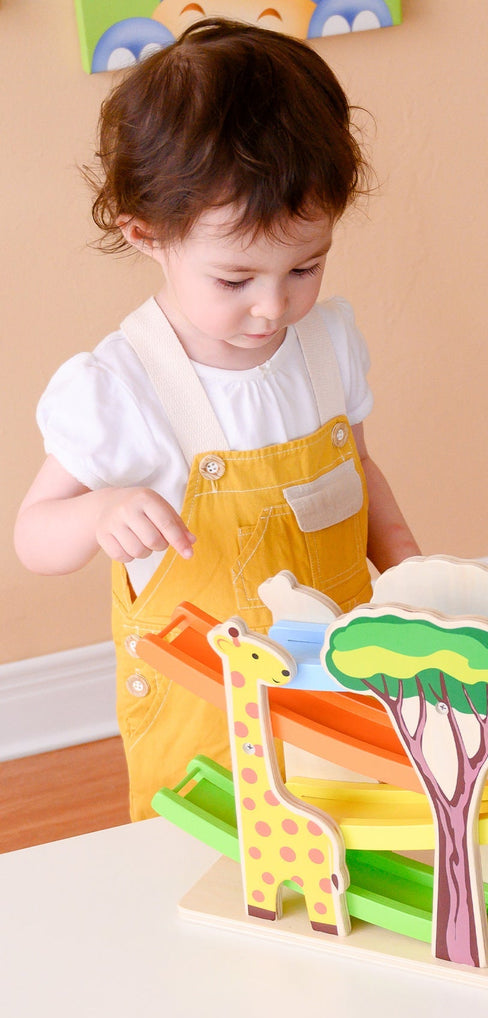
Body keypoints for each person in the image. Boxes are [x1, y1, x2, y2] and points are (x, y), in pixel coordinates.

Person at [14, 19, 420, 820]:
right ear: (146, 233)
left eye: (305, 266)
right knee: (221, 879)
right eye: (236, 278)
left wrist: (405, 566)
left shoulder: (327, 343)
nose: (275, 307)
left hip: (339, 687)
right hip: (210, 732)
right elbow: (33, 537)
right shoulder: (121, 387)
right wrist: (98, 511)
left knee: (351, 844)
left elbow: (358, 474)